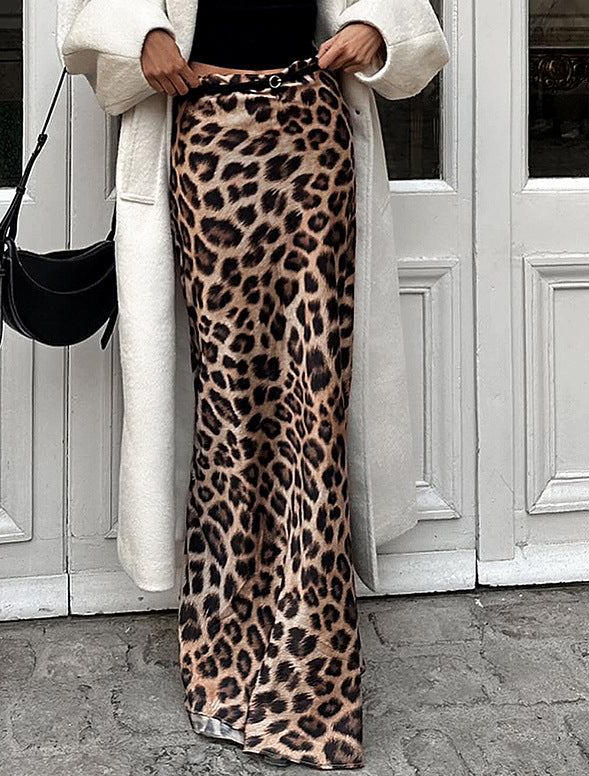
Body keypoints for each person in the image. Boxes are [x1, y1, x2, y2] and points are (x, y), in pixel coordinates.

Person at [56, 0, 448, 769]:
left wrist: (374, 28)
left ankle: (308, 669)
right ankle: (224, 656)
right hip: (206, 139)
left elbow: (406, 19)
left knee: (314, 404)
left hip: (312, 139)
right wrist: (145, 35)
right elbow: (85, 17)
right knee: (228, 404)